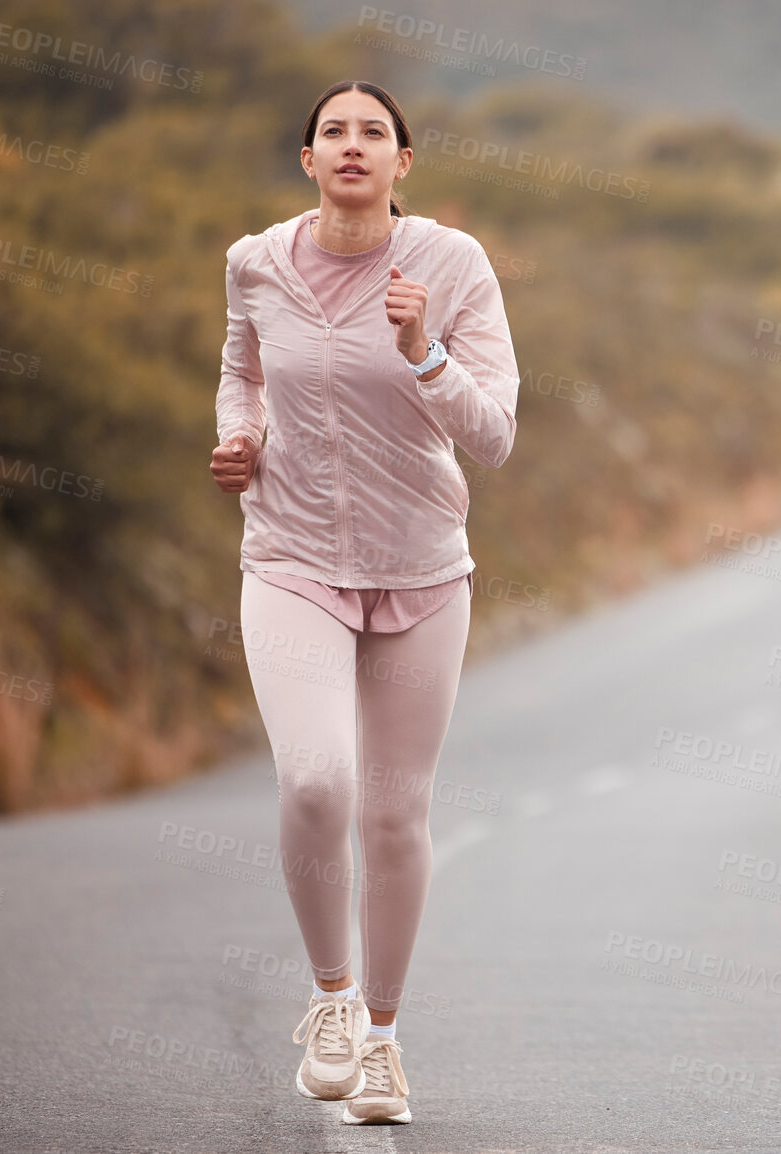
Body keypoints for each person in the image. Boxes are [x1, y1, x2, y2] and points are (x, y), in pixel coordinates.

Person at [209, 79, 519, 1126]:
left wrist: (424, 350)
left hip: (422, 566)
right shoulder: (255, 263)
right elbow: (240, 370)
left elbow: (496, 433)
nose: (352, 145)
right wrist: (241, 440)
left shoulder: (452, 265)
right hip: (291, 554)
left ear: (403, 163)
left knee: (393, 812)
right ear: (308, 159)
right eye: (333, 131)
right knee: (314, 781)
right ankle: (332, 1000)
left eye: (373, 133)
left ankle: (383, 1041)